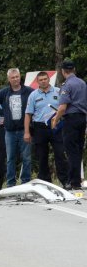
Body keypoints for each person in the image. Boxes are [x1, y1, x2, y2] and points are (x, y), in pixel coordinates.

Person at [0, 68, 33, 187]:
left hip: (25, 130)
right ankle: (10, 183)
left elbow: (35, 105)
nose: (15, 79)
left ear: (20, 77)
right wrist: (4, 114)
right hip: (9, 131)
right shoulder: (4, 92)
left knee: (27, 158)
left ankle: (26, 182)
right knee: (10, 158)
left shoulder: (28, 91)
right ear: (9, 79)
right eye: (13, 77)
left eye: (17, 77)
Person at [24, 71, 68, 186]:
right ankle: (46, 183)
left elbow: (65, 108)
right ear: (37, 82)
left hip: (56, 127)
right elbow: (28, 114)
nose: (43, 81)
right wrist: (27, 132)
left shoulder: (58, 91)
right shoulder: (33, 95)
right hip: (39, 128)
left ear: (49, 79)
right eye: (41, 79)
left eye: (45, 79)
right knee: (42, 156)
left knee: (60, 154)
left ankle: (65, 181)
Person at [51, 59, 87, 190]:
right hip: (82, 119)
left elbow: (62, 108)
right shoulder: (83, 83)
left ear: (63, 71)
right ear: (74, 70)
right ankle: (76, 181)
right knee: (77, 150)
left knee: (71, 151)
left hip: (71, 120)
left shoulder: (66, 85)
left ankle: (72, 181)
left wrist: (55, 121)